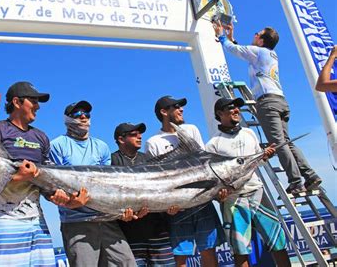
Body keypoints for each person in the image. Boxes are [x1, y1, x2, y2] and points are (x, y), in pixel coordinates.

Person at [213, 22, 322, 194]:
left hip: (267, 102)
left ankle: (295, 181)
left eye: (257, 33)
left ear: (262, 41)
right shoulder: (269, 54)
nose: (254, 35)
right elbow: (243, 50)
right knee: (287, 142)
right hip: (280, 101)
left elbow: (235, 50)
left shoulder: (258, 52)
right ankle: (310, 175)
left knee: (278, 143)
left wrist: (221, 36)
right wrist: (232, 36)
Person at [0, 82, 57, 266]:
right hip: (4, 220)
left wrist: (60, 196)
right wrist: (17, 177)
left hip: (37, 221)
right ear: (17, 102)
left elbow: (48, 179)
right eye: (33, 101)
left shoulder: (41, 137)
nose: (38, 106)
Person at [206, 97, 291, 267]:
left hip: (257, 192)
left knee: (278, 242)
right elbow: (212, 180)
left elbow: (258, 160)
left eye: (237, 107)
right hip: (233, 199)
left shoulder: (249, 133)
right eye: (231, 107)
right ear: (220, 114)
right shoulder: (213, 144)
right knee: (240, 250)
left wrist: (265, 155)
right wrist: (218, 195)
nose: (236, 110)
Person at [50, 100, 136, 267]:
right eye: (77, 114)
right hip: (77, 222)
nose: (83, 116)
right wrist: (70, 202)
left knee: (126, 262)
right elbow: (53, 186)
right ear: (67, 119)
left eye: (86, 114)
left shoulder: (101, 146)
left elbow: (109, 186)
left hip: (106, 218)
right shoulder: (57, 145)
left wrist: (122, 210)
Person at [145, 95, 225, 267]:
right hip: (177, 208)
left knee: (208, 249)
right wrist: (167, 207)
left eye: (181, 106)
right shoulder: (153, 142)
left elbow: (205, 163)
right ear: (164, 112)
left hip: (201, 200)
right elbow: (156, 180)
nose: (181, 109)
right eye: (176, 107)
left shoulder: (192, 130)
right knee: (180, 255)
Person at [112, 122, 176, 267]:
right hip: (130, 235)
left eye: (140, 133)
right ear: (121, 139)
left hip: (158, 231)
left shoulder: (150, 160)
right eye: (134, 134)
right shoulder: (111, 161)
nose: (140, 136)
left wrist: (171, 209)